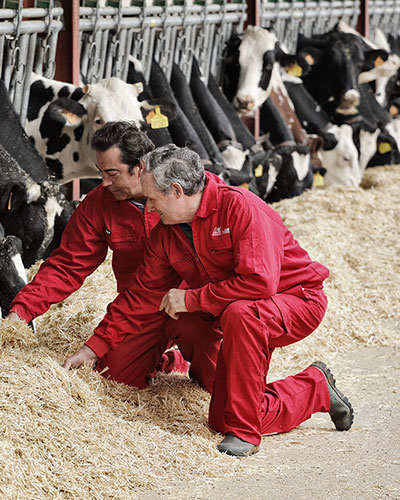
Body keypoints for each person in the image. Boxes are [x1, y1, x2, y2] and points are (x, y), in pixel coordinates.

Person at [66, 145, 354, 457]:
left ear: (176, 191)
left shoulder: (241, 207)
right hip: (237, 308)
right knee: (220, 417)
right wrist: (93, 347)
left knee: (240, 315)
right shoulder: (168, 231)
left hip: (295, 299)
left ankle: (245, 433)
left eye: (151, 198)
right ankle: (313, 387)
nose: (148, 209)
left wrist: (193, 299)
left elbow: (260, 282)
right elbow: (141, 294)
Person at [7, 122, 216, 389]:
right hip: (137, 309)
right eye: (100, 173)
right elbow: (68, 264)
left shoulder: (185, 196)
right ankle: (164, 359)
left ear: (141, 167)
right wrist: (23, 310)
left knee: (214, 381)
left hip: (190, 306)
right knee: (113, 376)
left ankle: (190, 354)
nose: (104, 183)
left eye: (112, 173)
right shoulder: (98, 203)